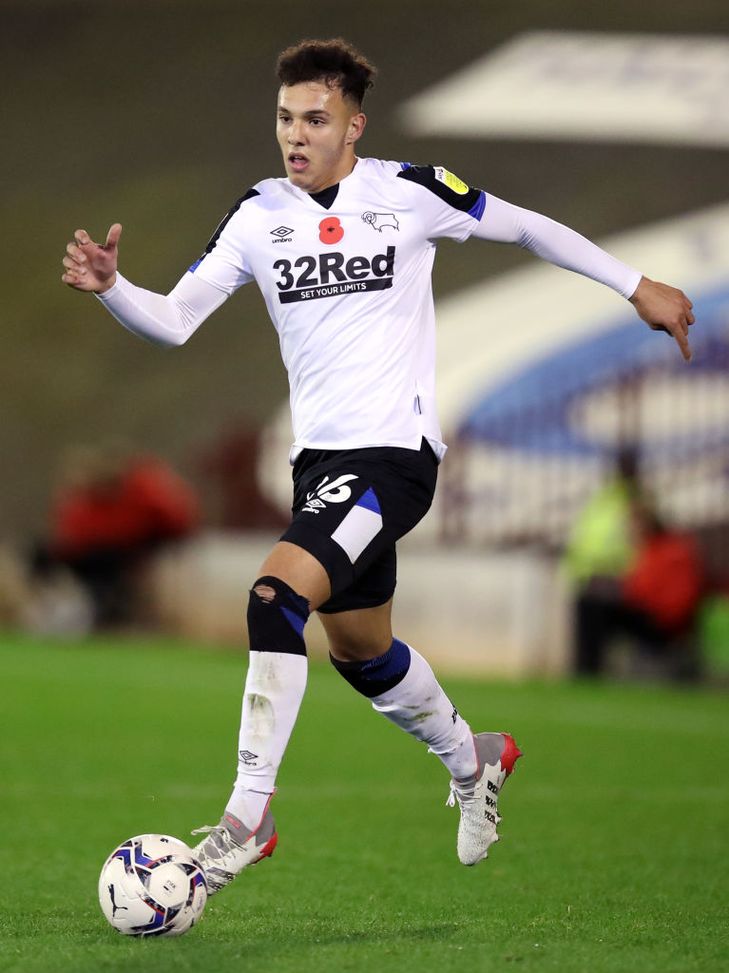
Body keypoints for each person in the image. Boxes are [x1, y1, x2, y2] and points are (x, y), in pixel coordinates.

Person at [61, 38, 695, 891]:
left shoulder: (410, 192)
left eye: (315, 119)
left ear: (353, 126)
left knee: (273, 596)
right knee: (361, 651)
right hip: (319, 465)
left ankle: (248, 815)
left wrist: (635, 284)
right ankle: (472, 756)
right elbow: (174, 321)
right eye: (285, 118)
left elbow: (526, 226)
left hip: (392, 458)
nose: (296, 134)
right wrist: (113, 289)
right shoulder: (257, 215)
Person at [574, 499, 704, 678]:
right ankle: (587, 669)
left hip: (662, 622)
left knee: (596, 607)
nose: (629, 531)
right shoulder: (645, 550)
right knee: (590, 601)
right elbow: (635, 587)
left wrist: (635, 598)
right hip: (646, 612)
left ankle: (588, 670)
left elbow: (676, 600)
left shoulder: (672, 551)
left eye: (634, 525)